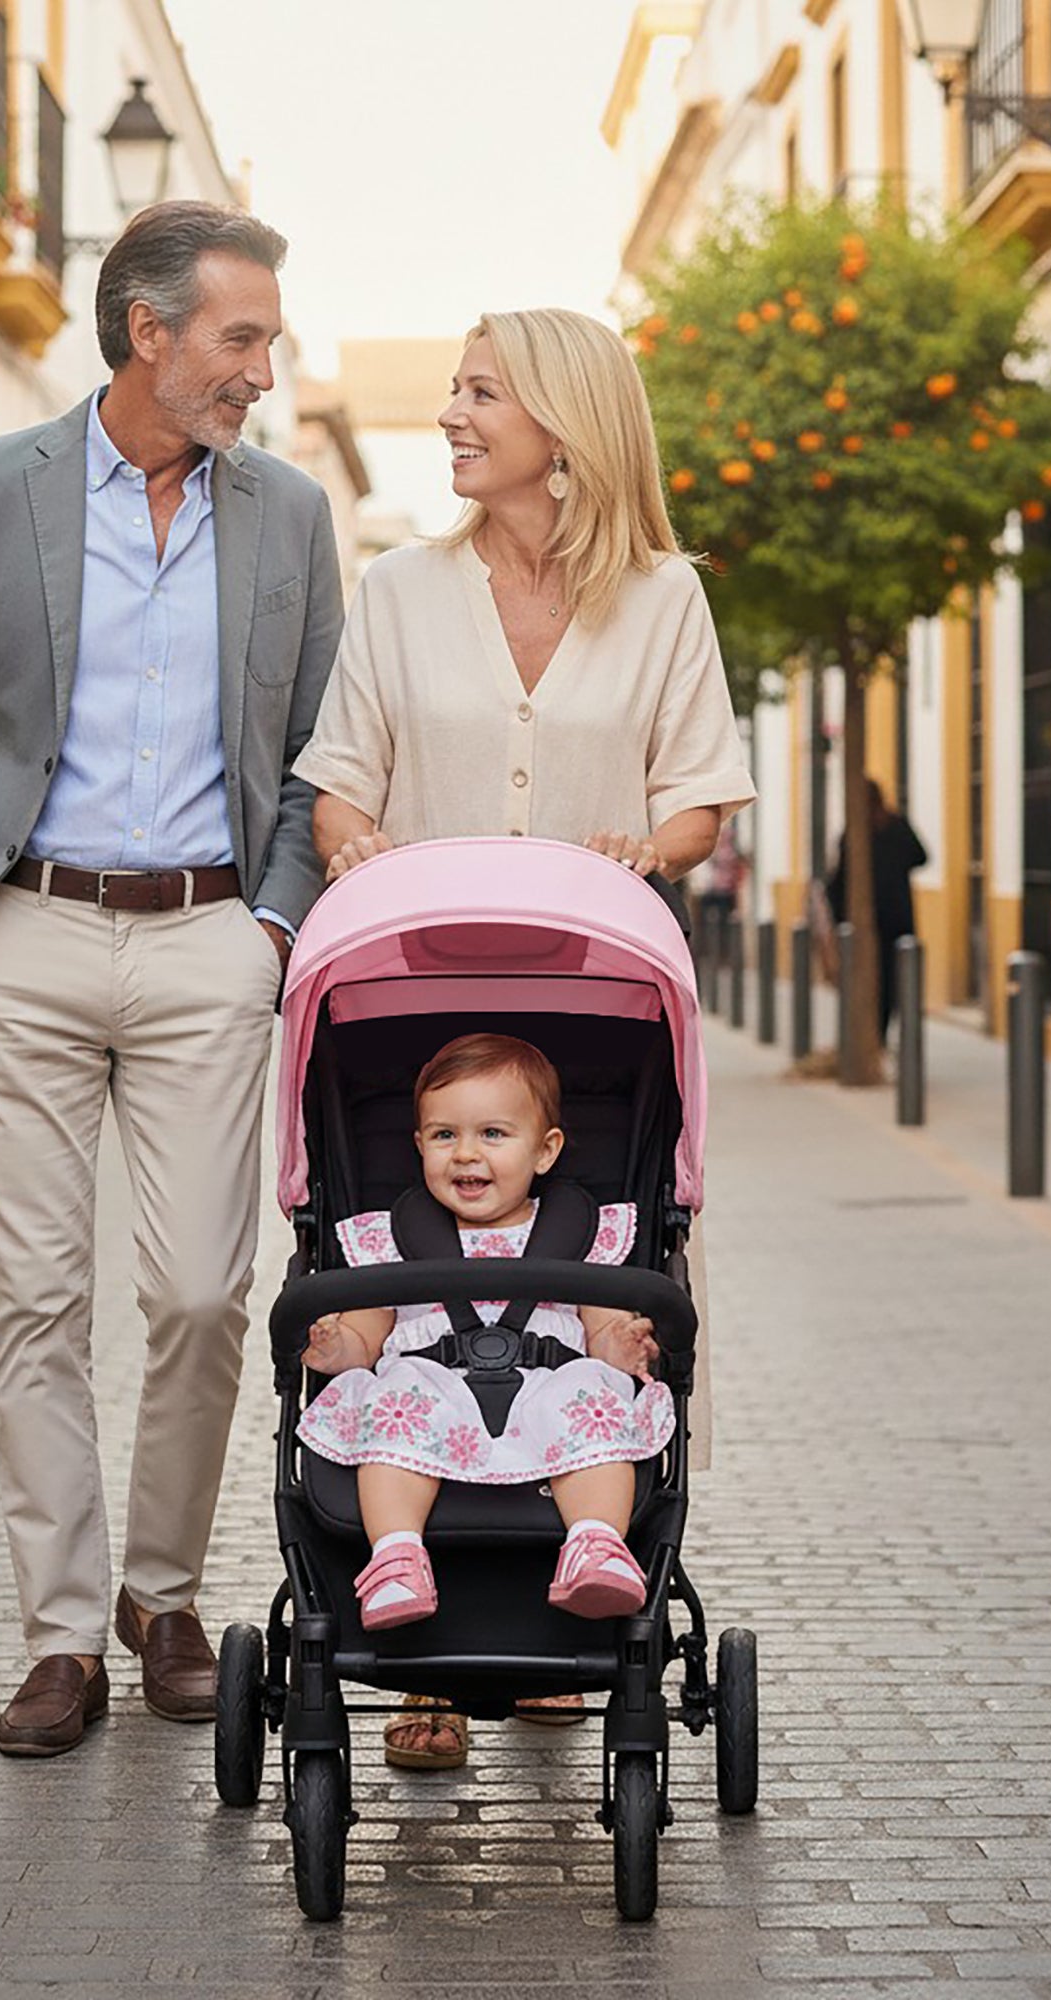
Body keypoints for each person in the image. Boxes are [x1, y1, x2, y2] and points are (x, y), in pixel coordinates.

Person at [0, 201, 342, 1757]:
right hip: (26, 932)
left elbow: (319, 748)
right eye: (241, 338)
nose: (263, 370)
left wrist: (273, 924)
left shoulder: (289, 514)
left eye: (268, 340)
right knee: (36, 1302)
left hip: (211, 939)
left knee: (200, 1291)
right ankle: (62, 1637)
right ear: (149, 332)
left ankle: (163, 1594)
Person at [290, 306, 752, 1769]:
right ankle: (421, 1661)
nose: (453, 413)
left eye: (481, 391)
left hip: (595, 997)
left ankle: (569, 1614)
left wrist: (653, 847)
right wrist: (352, 842)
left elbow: (700, 793)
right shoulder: (398, 589)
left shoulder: (663, 599)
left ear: (564, 421)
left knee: (600, 1314)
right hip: (414, 993)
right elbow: (339, 783)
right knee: (409, 1309)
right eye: (454, 389)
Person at [297, 1035, 675, 1631]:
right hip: (432, 1396)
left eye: (493, 1134)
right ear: (419, 1144)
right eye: (444, 1135)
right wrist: (334, 1345)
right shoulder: (391, 1239)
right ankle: (396, 1557)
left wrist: (621, 1346)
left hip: (548, 1395)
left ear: (545, 1151)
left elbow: (603, 1331)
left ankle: (596, 1544)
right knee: (395, 1399)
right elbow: (364, 1340)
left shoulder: (581, 1234)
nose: (466, 1154)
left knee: (593, 1394)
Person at [824, 778, 929, 1046]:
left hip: (865, 925)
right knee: (894, 984)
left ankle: (870, 1041)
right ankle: (881, 1038)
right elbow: (921, 857)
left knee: (867, 982)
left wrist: (839, 919)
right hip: (898, 919)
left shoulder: (854, 834)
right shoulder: (896, 826)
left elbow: (837, 883)